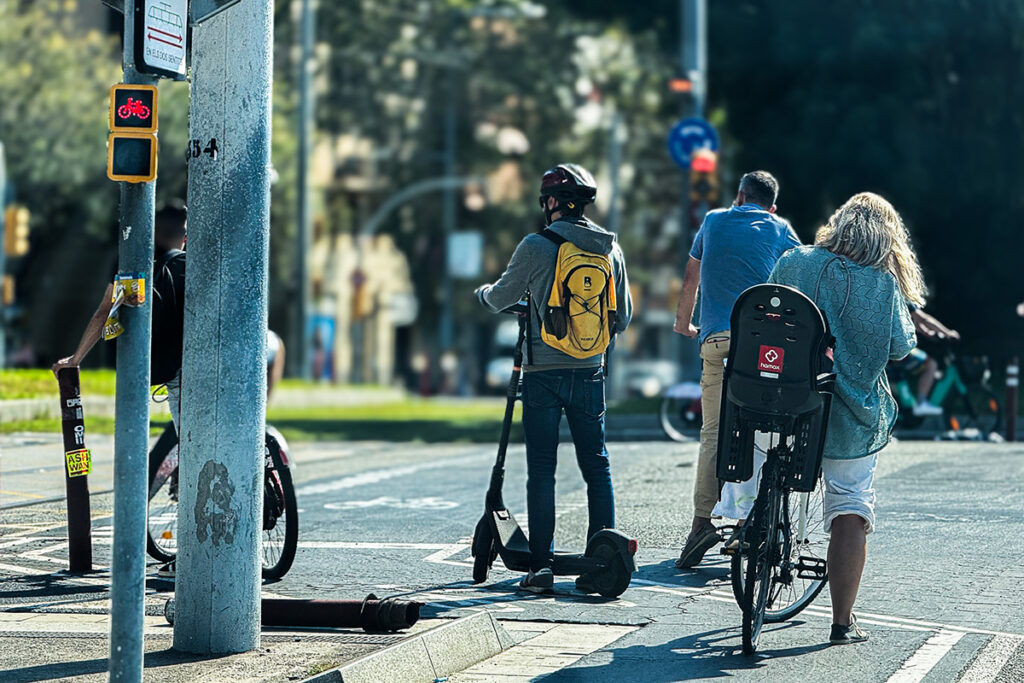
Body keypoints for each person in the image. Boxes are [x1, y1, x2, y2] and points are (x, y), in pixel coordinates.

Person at [767, 192, 921, 644]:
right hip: (847, 413)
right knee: (849, 505)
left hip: (780, 399)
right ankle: (841, 622)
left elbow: (766, 305)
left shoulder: (795, 261)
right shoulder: (882, 284)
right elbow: (901, 346)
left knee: (764, 461)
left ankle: (753, 529)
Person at [475, 163, 632, 594]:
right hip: (590, 372)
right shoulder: (609, 249)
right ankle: (603, 562)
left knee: (542, 469)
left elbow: (501, 297)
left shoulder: (536, 245)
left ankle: (540, 568)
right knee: (596, 467)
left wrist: (484, 294)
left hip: (542, 373)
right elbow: (624, 318)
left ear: (550, 203)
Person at [672, 171, 801, 569]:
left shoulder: (712, 221)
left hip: (715, 340)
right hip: (761, 346)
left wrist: (684, 324)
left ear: (739, 196)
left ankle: (700, 525)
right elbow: (800, 276)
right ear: (771, 206)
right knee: (760, 429)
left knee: (713, 431)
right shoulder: (781, 229)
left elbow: (692, 274)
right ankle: (749, 524)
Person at [53, 202, 188, 426]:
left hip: (154, 369)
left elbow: (104, 311)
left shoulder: (130, 262)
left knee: (187, 440)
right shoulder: (193, 263)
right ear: (184, 238)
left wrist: (76, 359)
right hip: (195, 367)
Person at [888, 307, 959, 416]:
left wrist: (926, 332)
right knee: (931, 363)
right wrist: (947, 333)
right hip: (899, 349)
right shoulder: (901, 293)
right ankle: (920, 404)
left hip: (886, 348)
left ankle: (907, 402)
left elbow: (913, 322)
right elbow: (923, 318)